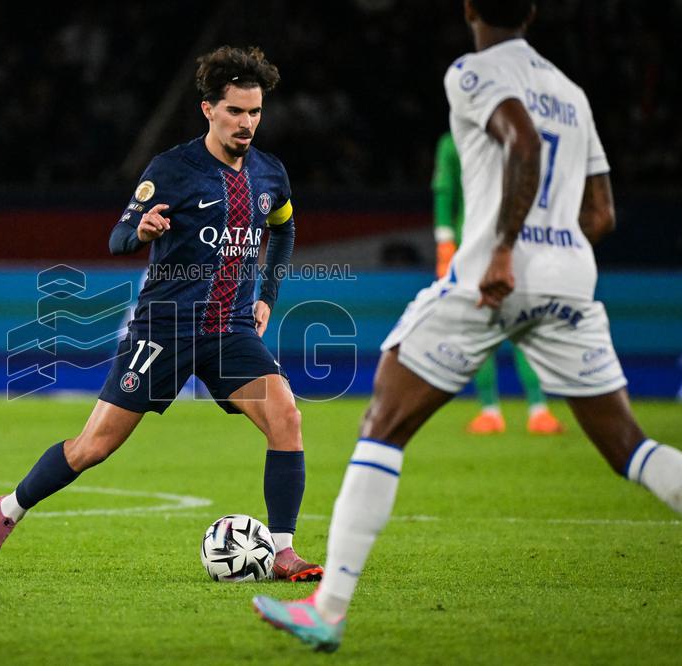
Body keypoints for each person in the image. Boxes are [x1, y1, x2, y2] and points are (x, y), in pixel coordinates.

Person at [252, 0, 682, 651]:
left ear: (469, 8)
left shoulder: (473, 72)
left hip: (491, 275)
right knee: (629, 446)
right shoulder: (572, 92)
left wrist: (510, 249)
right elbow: (602, 211)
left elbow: (523, 142)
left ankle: (328, 609)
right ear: (533, 11)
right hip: (571, 278)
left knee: (385, 422)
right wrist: (555, 257)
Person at [0, 46, 323, 582]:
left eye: (255, 112)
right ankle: (8, 509)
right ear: (208, 109)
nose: (247, 123)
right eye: (235, 111)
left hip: (228, 332)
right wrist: (143, 232)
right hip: (164, 330)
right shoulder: (173, 170)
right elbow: (117, 237)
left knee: (287, 418)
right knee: (94, 447)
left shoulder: (270, 173)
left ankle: (282, 551)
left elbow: (284, 227)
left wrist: (267, 296)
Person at [433, 130, 564, 435]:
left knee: (516, 326)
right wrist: (445, 245)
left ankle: (530, 410)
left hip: (510, 247)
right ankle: (502, 411)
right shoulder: (458, 141)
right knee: (496, 328)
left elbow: (444, 191)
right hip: (482, 249)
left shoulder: (511, 138)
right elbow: (445, 192)